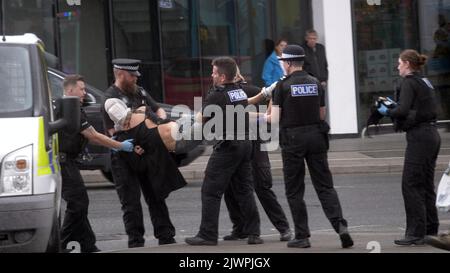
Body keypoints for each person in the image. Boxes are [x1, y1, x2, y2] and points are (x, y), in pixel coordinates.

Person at [268, 45, 354, 249]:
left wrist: (263, 116)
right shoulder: (316, 82)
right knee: (325, 186)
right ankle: (340, 226)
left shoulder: (282, 86)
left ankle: (302, 236)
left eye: (283, 63)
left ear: (288, 63)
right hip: (316, 137)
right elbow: (322, 114)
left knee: (294, 190)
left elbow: (275, 119)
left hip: (293, 140)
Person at [185, 57, 263, 246]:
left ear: (221, 77)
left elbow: (202, 119)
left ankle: (207, 235)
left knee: (210, 190)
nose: (211, 75)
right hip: (246, 143)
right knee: (244, 190)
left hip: (228, 146)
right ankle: (253, 233)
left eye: (213, 72)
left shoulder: (217, 95)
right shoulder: (238, 91)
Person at [101, 59, 176, 248]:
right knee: (131, 201)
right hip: (124, 156)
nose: (135, 78)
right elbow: (112, 132)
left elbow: (157, 108)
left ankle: (166, 237)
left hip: (147, 152)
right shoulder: (111, 98)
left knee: (156, 196)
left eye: (136, 75)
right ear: (120, 74)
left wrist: (159, 124)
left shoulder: (139, 91)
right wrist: (134, 145)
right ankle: (136, 242)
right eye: (132, 75)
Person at [59, 75, 134, 253]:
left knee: (80, 202)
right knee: (77, 203)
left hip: (66, 160)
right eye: (81, 89)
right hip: (63, 161)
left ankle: (87, 244)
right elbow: (92, 135)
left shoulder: (67, 106)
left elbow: (89, 138)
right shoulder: (71, 108)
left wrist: (112, 143)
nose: (84, 93)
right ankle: (62, 243)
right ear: (70, 90)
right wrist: (119, 146)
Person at [377, 49, 441, 246]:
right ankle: (430, 229)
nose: (397, 66)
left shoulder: (409, 82)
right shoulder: (424, 81)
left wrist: (387, 110)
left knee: (411, 184)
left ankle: (415, 233)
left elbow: (403, 110)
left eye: (399, 63)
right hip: (432, 135)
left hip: (420, 137)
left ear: (406, 64)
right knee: (426, 185)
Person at [222, 68, 292, 242]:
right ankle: (241, 228)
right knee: (232, 188)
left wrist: (255, 117)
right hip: (241, 144)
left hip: (252, 143)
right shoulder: (228, 92)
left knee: (260, 187)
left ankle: (283, 227)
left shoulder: (250, 91)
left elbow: (270, 113)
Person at [104, 98, 188, 202]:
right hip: (165, 154)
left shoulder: (142, 110)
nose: (127, 124)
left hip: (172, 144)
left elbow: (159, 117)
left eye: (127, 120)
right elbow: (139, 165)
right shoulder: (123, 136)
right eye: (124, 123)